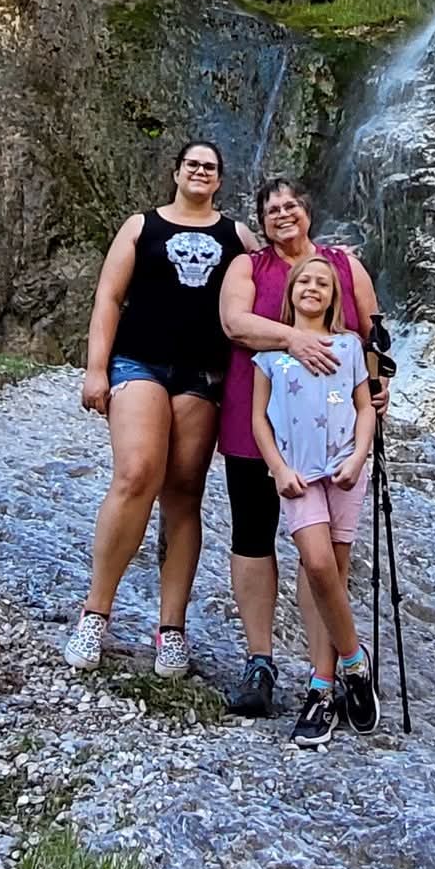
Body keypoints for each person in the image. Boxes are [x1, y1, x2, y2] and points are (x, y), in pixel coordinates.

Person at [65, 139, 255, 676]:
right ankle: (95, 613)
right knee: (136, 473)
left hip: (203, 374)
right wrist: (96, 367)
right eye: (192, 164)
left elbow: (267, 296)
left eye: (210, 167)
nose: (200, 172)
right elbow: (108, 296)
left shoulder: (236, 236)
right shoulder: (141, 227)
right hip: (139, 362)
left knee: (184, 493)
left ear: (219, 180)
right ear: (176, 172)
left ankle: (172, 628)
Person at [216, 176, 383, 718]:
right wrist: (292, 338)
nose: (282, 215)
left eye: (291, 206)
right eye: (271, 209)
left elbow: (371, 331)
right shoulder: (250, 267)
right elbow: (234, 323)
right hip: (256, 422)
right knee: (252, 534)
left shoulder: (344, 265)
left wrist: (378, 392)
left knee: (323, 559)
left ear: (308, 212)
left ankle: (325, 676)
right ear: (261, 221)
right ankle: (260, 660)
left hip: (334, 437)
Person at [251, 255, 379, 744]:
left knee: (335, 578)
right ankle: (354, 660)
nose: (312, 287)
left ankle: (322, 689)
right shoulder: (271, 355)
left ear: (334, 296)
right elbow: (260, 418)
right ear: (290, 292)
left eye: (322, 282)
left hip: (345, 471)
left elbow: (365, 410)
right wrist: (278, 468)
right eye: (304, 280)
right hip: (299, 477)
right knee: (319, 566)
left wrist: (359, 457)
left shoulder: (349, 347)